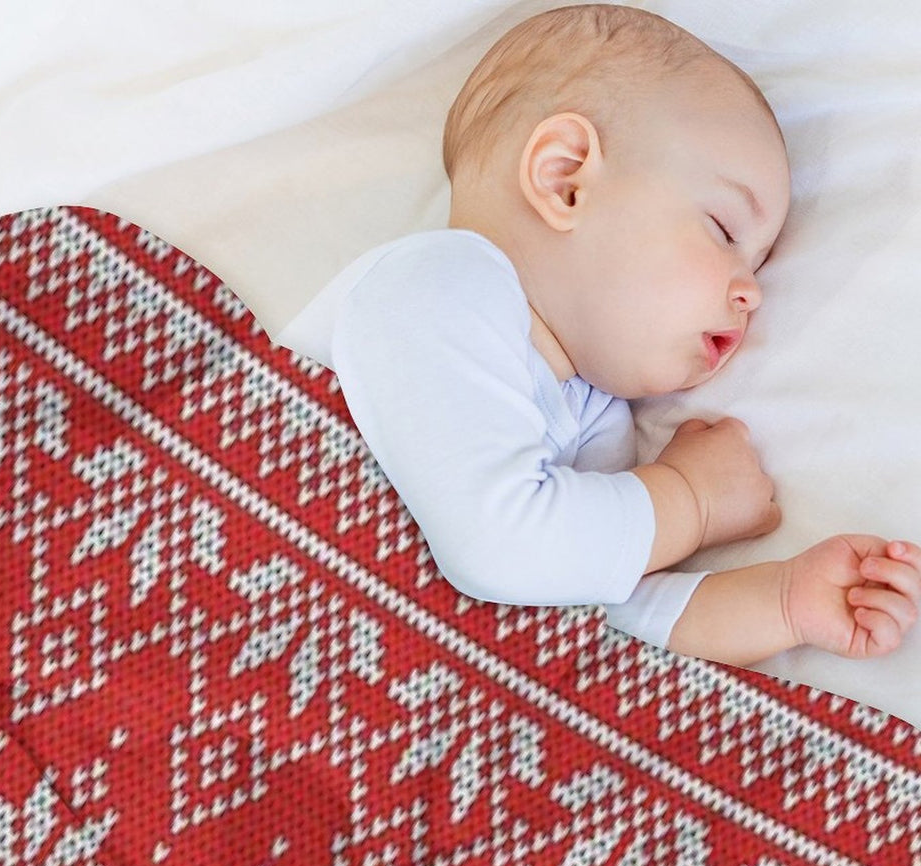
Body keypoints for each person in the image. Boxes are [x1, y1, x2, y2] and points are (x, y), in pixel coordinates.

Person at [283, 3, 921, 666]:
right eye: (724, 230)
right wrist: (690, 499)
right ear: (565, 181)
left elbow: (601, 608)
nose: (751, 292)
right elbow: (500, 546)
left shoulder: (590, 412)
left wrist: (785, 603)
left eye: (757, 265)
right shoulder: (435, 284)